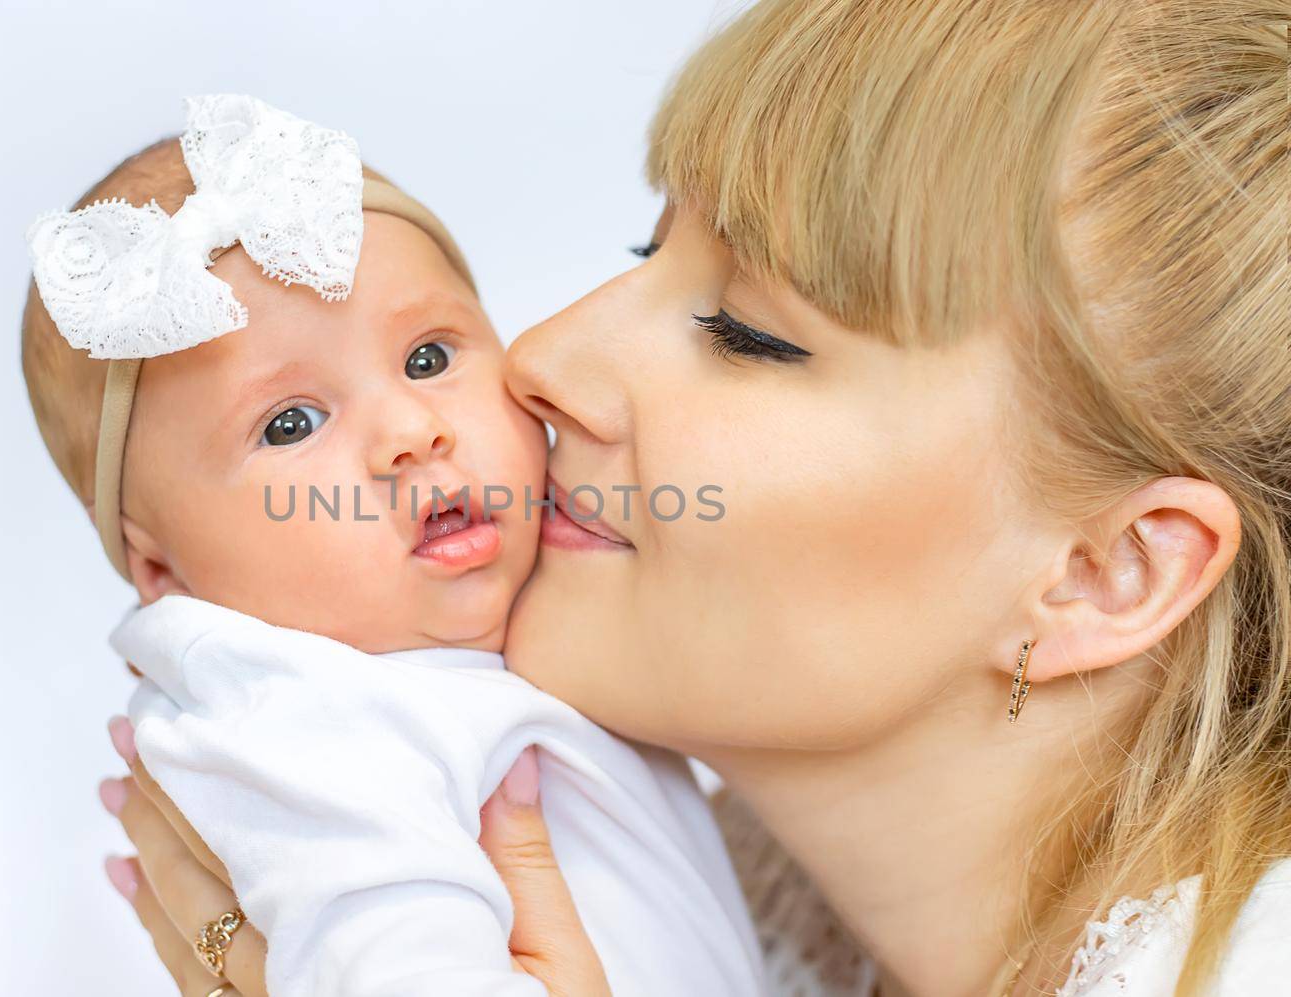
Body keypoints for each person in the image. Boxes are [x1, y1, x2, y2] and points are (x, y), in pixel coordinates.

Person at [100, 2, 1291, 994]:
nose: (540, 358)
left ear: (1105, 571)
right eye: (641, 252)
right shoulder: (704, 912)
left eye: (745, 333)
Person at [24, 96, 764, 996]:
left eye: (428, 358)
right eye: (291, 422)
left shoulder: (546, 632)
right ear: (163, 571)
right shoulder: (304, 729)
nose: (410, 431)